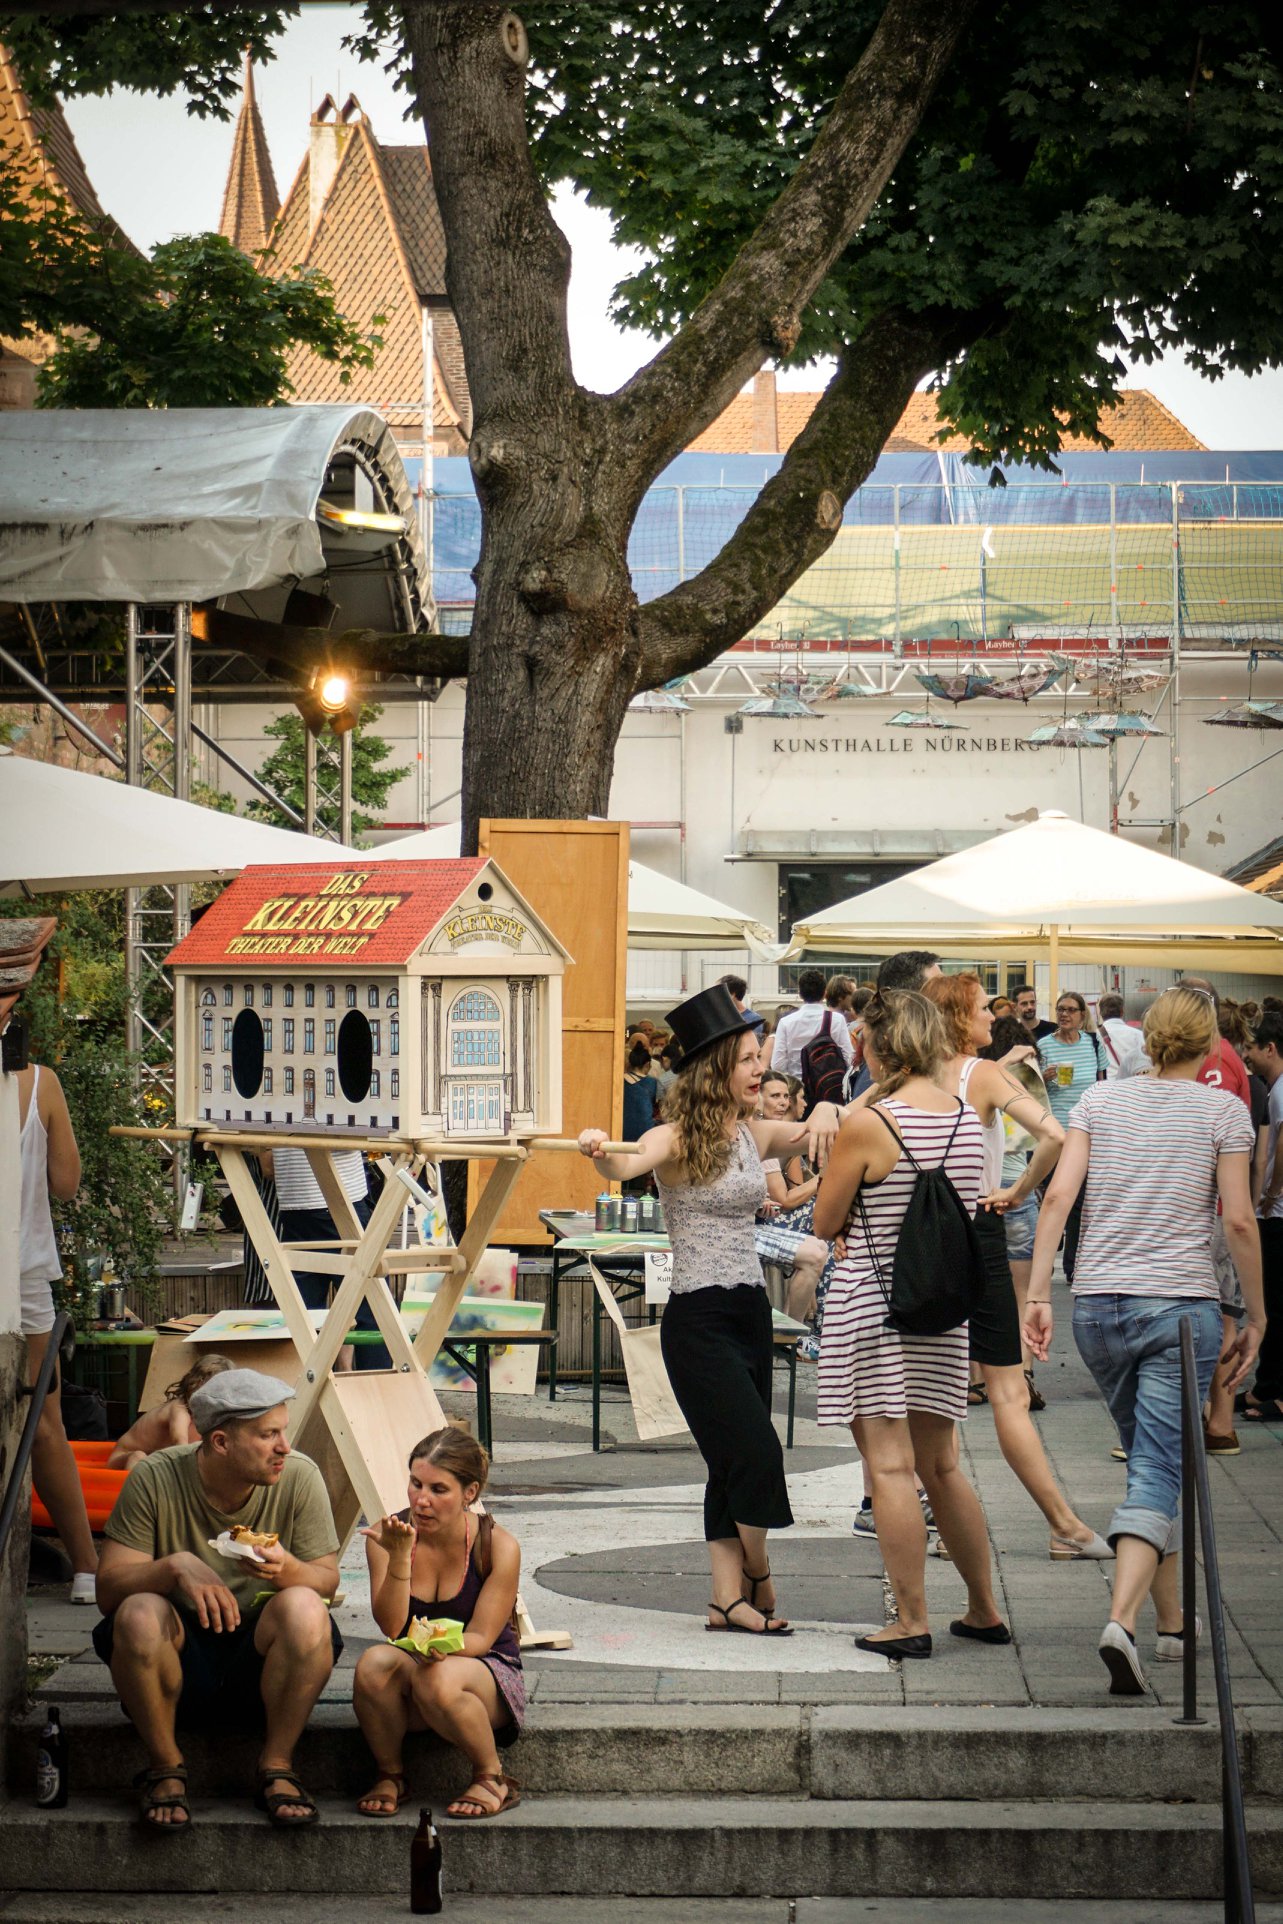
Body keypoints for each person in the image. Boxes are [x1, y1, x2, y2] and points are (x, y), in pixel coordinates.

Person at [579, 982, 840, 1635]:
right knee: (755, 1453)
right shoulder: (671, 1137)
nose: (761, 1069)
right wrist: (597, 1147)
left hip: (750, 1310)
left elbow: (817, 1129)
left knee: (729, 1462)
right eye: (749, 1058)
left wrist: (833, 1110)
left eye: (760, 1056)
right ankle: (757, 1571)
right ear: (714, 1066)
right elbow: (627, 1162)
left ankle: (725, 1600)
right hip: (696, 1321)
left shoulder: (753, 1134)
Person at [1024, 988, 1263, 1697]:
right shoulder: (1223, 1110)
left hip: (1096, 1306)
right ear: (1212, 1042)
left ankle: (1170, 1622)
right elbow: (1240, 1222)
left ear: (1145, 1039)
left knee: (1157, 1462)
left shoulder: (1099, 1101)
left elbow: (1060, 1198)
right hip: (1178, 1308)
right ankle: (1120, 1621)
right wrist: (1255, 1314)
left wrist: (1038, 1293)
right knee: (1161, 1465)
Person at [813, 990, 1008, 1657]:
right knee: (942, 1465)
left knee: (891, 1469)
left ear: (877, 1047)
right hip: (940, 1306)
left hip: (876, 1306)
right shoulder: (960, 1114)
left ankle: (911, 1619)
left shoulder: (871, 1125)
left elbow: (823, 1221)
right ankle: (983, 1609)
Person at [92, 1368, 342, 1830]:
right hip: (178, 1664)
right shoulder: (154, 1477)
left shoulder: (298, 1476)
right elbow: (107, 1591)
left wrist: (288, 1569)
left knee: (307, 1605)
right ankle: (166, 1767)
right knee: (137, 1611)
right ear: (221, 1442)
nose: (284, 1446)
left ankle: (278, 1766)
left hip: (263, 1664)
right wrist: (173, 1567)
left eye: (283, 1431)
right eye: (269, 1435)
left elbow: (326, 1581)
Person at [923, 976, 1109, 1558]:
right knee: (1007, 1388)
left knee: (936, 1392)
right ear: (958, 1018)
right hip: (979, 1228)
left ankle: (940, 1521)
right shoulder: (984, 1073)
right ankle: (1063, 1526)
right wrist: (1018, 1187)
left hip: (921, 1240)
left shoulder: (910, 1078)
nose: (992, 1015)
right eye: (981, 1007)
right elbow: (1053, 1134)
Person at [354, 1424, 524, 1821]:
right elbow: (392, 1628)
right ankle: (391, 1774)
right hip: (416, 1666)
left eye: (438, 1490)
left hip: (484, 1674)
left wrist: (438, 1650)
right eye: (415, 1484)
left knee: (437, 1677)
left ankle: (492, 1776)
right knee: (373, 1664)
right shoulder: (388, 1535)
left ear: (469, 1493)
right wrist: (399, 1557)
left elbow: (482, 1636)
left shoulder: (498, 1545)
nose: (421, 1500)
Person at [16, 1059, 97, 1603]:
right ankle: (87, 1568)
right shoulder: (39, 1081)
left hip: (21, 1274)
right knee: (46, 1426)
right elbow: (67, 1185)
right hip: (22, 1273)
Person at [260, 1146, 386, 1369]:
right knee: (370, 1308)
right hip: (328, 1201)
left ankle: (308, 1393)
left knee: (304, 1313)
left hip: (301, 1203)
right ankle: (373, 1390)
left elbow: (266, 1165)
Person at [981, 1016, 1052, 1400]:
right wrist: (1027, 1187)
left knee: (979, 1290)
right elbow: (1046, 1137)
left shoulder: (979, 1080)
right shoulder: (1024, 1082)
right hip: (1017, 1192)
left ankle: (976, 1378)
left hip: (983, 1195)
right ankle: (1023, 1373)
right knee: (1023, 1292)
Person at [1039, 992, 1107, 1282]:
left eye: (1070, 1010)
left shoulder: (1093, 1043)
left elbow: (1103, 1083)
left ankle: (1073, 1266)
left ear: (1081, 1015)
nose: (1064, 1014)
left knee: (1082, 1201)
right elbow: (1031, 1088)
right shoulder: (1043, 1045)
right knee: (1054, 1198)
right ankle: (1043, 1263)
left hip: (1087, 1132)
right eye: (1060, 1009)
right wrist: (1044, 1078)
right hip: (1056, 1132)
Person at [1243, 1010, 1283, 1422]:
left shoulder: (1278, 1090)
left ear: (1270, 1048)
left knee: (1276, 1303)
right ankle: (1266, 1385)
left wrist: (1271, 1192)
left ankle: (1277, 1389)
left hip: (1278, 1214)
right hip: (1275, 1211)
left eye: (1251, 1049)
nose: (1247, 1057)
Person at [108, 1354, 235, 1472]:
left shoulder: (202, 1415)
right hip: (124, 1457)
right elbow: (179, 1441)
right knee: (138, 1456)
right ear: (197, 1384)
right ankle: (131, 1492)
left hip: (152, 1460)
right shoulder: (179, 1409)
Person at [770, 968, 855, 1080]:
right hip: (829, 1087)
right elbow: (848, 1058)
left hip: (797, 1087)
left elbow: (777, 1065)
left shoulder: (786, 1022)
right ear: (825, 994)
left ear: (800, 993)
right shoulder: (837, 1020)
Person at [1096, 993, 1145, 1080]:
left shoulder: (1094, 1036)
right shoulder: (1138, 1035)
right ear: (1122, 1012)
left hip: (1105, 1086)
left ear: (1100, 1013)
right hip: (1130, 1086)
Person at [622, 1037, 659, 1140]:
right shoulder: (652, 1082)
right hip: (645, 1133)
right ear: (647, 1064)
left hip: (622, 1131)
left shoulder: (620, 1082)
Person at [719, 973, 766, 1040]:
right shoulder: (720, 1017)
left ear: (732, 994)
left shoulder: (754, 1019)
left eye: (720, 993)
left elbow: (753, 1045)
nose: (717, 997)